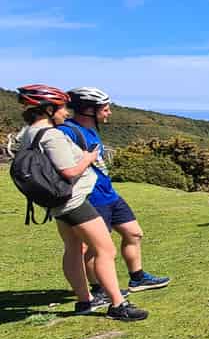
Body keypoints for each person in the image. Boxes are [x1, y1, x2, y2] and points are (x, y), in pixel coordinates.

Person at [13, 85, 149, 321]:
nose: (66, 112)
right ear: (48, 110)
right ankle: (118, 304)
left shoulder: (28, 133)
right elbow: (69, 171)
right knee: (105, 250)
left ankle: (84, 301)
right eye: (61, 108)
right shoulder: (52, 135)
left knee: (73, 248)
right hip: (74, 201)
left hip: (57, 202)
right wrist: (88, 158)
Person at [60, 87, 170, 303]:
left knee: (133, 233)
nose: (109, 112)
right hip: (90, 197)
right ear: (89, 110)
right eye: (105, 109)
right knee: (94, 247)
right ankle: (99, 288)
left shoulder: (91, 129)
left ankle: (137, 278)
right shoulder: (68, 132)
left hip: (109, 193)